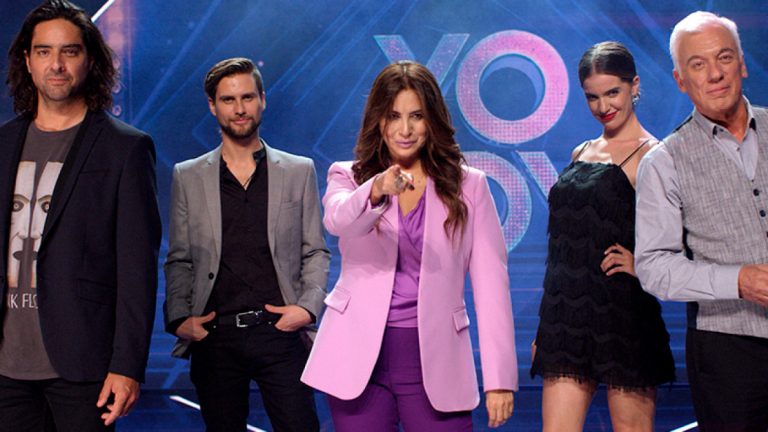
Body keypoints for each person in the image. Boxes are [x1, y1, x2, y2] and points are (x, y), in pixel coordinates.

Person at [301, 60, 517, 431]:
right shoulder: (349, 176)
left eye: (416, 116)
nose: (405, 130)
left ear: (432, 120)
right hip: (358, 358)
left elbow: (491, 287)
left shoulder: (470, 186)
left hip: (436, 357)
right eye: (393, 116)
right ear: (378, 120)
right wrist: (376, 189)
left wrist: (499, 379)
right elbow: (337, 221)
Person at [0, 0, 161, 430]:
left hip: (84, 363)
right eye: (44, 51)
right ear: (27, 61)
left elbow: (137, 269)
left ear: (90, 60)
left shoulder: (125, 148)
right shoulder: (3, 144)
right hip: (5, 366)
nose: (56, 64)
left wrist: (127, 365)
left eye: (69, 51)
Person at [163, 57, 330, 432]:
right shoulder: (188, 176)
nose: (239, 109)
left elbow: (315, 250)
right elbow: (180, 258)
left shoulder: (298, 170)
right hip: (215, 335)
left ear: (262, 100)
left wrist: (307, 309)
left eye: (247, 97)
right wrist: (178, 318)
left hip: (281, 332)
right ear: (212, 106)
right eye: (228, 99)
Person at [531, 41, 675, 432]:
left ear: (634, 85)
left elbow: (682, 237)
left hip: (623, 314)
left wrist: (641, 264)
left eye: (612, 92)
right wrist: (546, 326)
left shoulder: (655, 155)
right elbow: (561, 249)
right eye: (592, 97)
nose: (603, 106)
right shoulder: (580, 152)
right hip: (566, 318)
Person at [636, 11, 768, 431]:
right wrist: (738, 281)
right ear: (680, 80)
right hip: (727, 351)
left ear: (742, 65)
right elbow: (654, 266)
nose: (714, 74)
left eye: (724, 57)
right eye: (698, 64)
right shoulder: (664, 161)